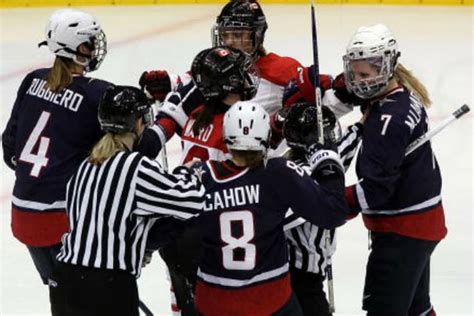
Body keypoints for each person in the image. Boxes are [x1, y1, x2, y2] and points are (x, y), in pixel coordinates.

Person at [49, 85, 206, 316]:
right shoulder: (135, 165)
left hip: (64, 281)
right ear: (138, 123)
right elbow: (191, 202)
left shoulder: (87, 164)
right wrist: (189, 173)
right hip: (107, 287)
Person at [192, 100, 350, 316]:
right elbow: (334, 212)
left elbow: (170, 232)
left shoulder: (201, 174)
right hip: (269, 301)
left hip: (213, 301)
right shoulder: (278, 173)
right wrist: (326, 158)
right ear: (265, 135)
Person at [1, 8, 109, 310]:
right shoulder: (97, 94)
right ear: (77, 48)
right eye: (89, 41)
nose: (94, 46)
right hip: (63, 220)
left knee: (61, 296)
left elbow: (10, 146)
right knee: (89, 301)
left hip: (23, 217)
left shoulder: (32, 80)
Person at [137, 0, 334, 159]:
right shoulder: (218, 66)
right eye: (226, 34)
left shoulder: (282, 69)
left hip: (258, 168)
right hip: (212, 161)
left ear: (258, 35)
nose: (230, 41)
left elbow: (321, 103)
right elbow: (192, 82)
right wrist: (170, 82)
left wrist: (331, 88)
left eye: (238, 35)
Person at [340, 24, 446, 316]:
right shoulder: (402, 95)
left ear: (387, 66)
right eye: (355, 72)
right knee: (417, 308)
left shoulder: (389, 120)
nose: (359, 82)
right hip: (421, 221)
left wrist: (332, 202)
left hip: (402, 230)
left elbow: (375, 189)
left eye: (366, 74)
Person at [282, 102, 362, 316]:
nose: (330, 137)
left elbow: (341, 151)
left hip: (308, 275)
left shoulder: (321, 162)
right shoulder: (303, 174)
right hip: (297, 278)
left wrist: (360, 127)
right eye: (325, 132)